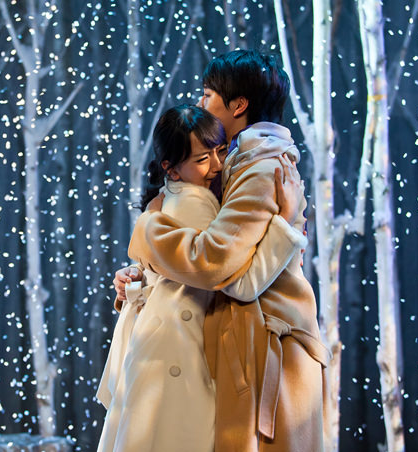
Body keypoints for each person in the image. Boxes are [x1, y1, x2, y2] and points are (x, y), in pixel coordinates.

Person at [122, 50, 329, 452]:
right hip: (252, 337)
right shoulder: (238, 159)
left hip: (268, 338)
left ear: (238, 105)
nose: (201, 104)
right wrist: (141, 274)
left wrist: (148, 231)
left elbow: (216, 264)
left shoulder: (261, 166)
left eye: (208, 95)